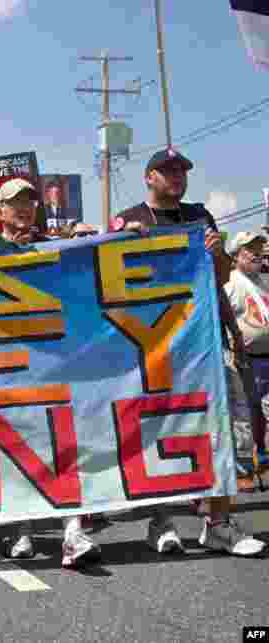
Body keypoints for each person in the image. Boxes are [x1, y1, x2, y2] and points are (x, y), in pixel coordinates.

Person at [112, 148, 264, 556]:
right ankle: (160, 520)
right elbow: (112, 283)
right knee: (158, 432)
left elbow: (217, 278)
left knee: (225, 430)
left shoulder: (200, 217)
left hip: (206, 341)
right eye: (168, 171)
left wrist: (216, 255)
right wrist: (123, 245)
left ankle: (218, 523)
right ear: (149, 177)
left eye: (182, 171)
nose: (177, 177)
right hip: (156, 345)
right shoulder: (130, 219)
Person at [0, 179, 102, 567]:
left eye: (29, 201)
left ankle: (73, 531)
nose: (23, 209)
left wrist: (125, 239)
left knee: (65, 442)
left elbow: (98, 261)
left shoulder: (53, 246)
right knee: (16, 446)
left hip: (55, 361)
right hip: (4, 365)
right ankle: (19, 526)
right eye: (13, 203)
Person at [223, 231, 269, 478]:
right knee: (245, 413)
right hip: (243, 360)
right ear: (236, 254)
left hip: (267, 358)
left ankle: (260, 452)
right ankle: (244, 468)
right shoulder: (229, 285)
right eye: (249, 249)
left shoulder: (263, 282)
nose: (255, 253)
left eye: (258, 248)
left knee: (261, 411)